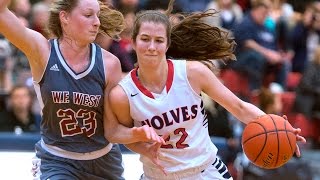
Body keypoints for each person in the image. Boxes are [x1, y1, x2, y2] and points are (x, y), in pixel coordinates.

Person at [108, 0, 306, 179]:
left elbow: (239, 107)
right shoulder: (123, 93)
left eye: (159, 40)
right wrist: (142, 146)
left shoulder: (193, 73)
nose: (152, 46)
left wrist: (279, 130)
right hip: (158, 175)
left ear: (168, 44)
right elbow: (124, 135)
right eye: (145, 39)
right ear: (133, 42)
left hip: (206, 171)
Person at [0, 0, 164, 179]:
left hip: (103, 161)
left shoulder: (109, 64)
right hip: (57, 160)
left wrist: (137, 137)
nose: (97, 22)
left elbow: (112, 130)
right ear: (65, 17)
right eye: (88, 15)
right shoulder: (43, 51)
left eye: (97, 16)